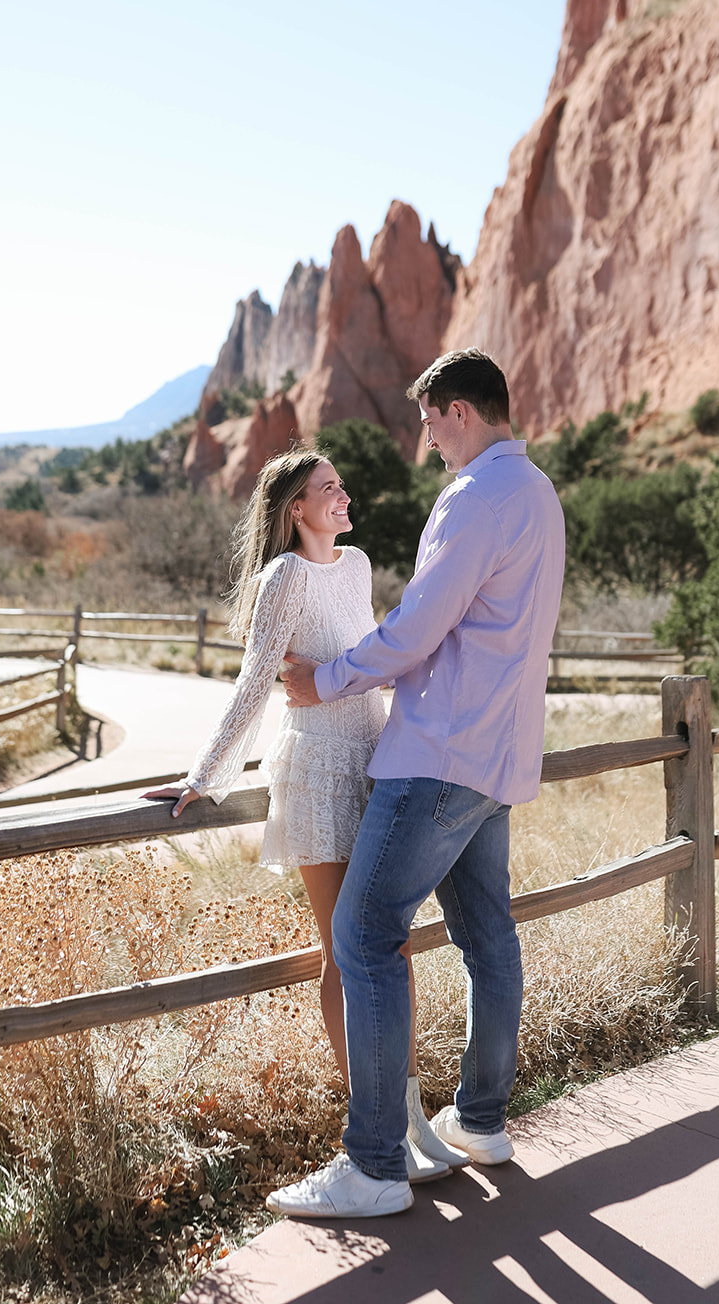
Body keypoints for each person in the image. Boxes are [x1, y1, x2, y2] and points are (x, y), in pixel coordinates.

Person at [270, 347, 565, 1220]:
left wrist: (320, 682)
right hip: (499, 755)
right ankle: (480, 1122)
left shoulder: (473, 498)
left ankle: (371, 1167)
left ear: (460, 412)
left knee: (361, 938)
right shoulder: (539, 493)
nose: (426, 439)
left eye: (431, 421)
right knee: (485, 936)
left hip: (436, 754)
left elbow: (418, 628)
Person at [141, 447, 466, 1182]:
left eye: (341, 485)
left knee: (391, 946)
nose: (343, 496)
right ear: (296, 508)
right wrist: (204, 776)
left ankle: (409, 1116)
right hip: (317, 767)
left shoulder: (353, 565)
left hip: (374, 757)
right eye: (328, 489)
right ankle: (376, 1127)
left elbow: (377, 653)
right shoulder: (282, 576)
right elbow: (255, 681)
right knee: (344, 953)